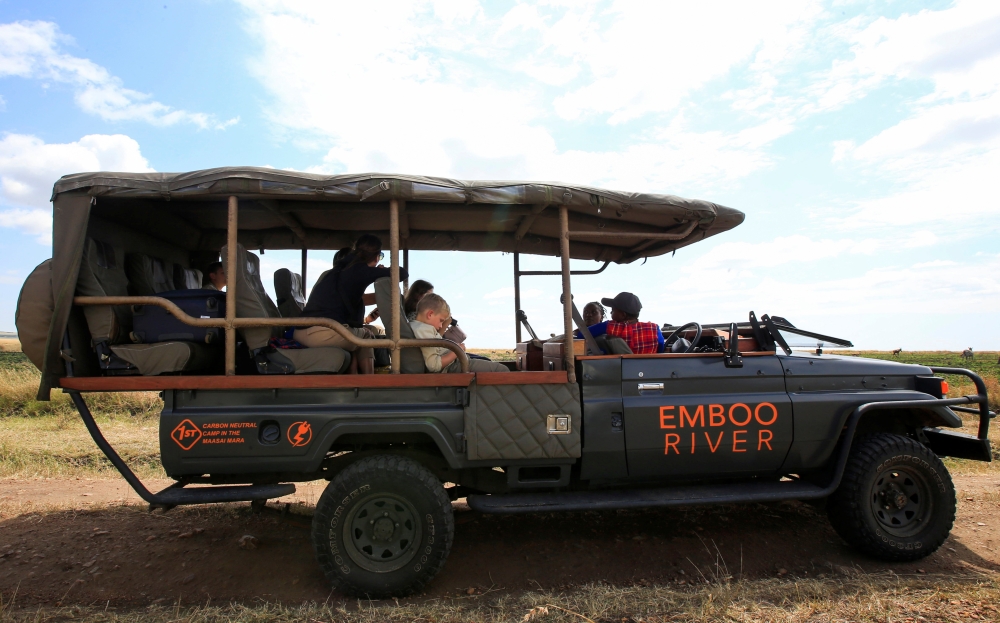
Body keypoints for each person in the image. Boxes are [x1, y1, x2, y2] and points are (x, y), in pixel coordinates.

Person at [294, 235, 407, 374]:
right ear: (376, 256)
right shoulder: (360, 271)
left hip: (301, 331)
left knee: (353, 335)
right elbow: (402, 273)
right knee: (366, 336)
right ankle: (368, 382)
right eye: (380, 255)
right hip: (320, 332)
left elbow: (355, 300)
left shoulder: (338, 270)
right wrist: (380, 271)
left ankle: (354, 378)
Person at [410, 293, 507, 373]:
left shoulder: (417, 327)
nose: (440, 326)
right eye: (441, 320)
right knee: (501, 370)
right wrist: (457, 351)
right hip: (452, 367)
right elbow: (434, 365)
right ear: (430, 314)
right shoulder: (423, 330)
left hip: (454, 364)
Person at [587, 292, 664, 354]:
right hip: (650, 370)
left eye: (613, 310)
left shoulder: (610, 327)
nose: (611, 312)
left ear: (623, 315)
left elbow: (583, 334)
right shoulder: (654, 328)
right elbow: (660, 349)